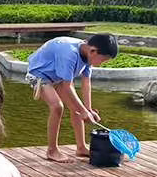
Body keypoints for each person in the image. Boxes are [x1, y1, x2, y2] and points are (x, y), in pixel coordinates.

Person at [25, 33, 119, 162]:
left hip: (58, 76)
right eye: (102, 60)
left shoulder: (87, 55)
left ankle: (81, 147)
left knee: (77, 109)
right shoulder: (69, 54)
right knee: (57, 107)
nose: (101, 64)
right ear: (93, 51)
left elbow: (86, 82)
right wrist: (84, 111)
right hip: (38, 74)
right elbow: (67, 86)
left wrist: (88, 109)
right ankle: (52, 151)